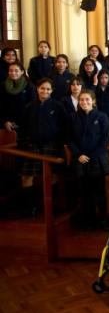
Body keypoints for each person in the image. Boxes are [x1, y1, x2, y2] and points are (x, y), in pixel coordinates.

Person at [17, 77, 67, 216]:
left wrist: (60, 145)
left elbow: (64, 127)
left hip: (52, 146)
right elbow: (23, 127)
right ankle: (30, 208)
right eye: (42, 88)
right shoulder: (29, 106)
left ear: (52, 91)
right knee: (26, 177)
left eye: (48, 89)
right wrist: (24, 144)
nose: (45, 91)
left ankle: (51, 207)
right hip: (32, 146)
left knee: (53, 176)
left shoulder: (58, 106)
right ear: (37, 89)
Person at [70, 89, 109, 229]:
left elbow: (105, 139)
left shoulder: (101, 116)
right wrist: (78, 154)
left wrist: (92, 156)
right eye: (82, 100)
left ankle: (103, 219)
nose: (84, 102)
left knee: (99, 191)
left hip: (97, 159)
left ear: (93, 101)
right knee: (84, 192)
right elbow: (70, 138)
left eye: (87, 99)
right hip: (80, 159)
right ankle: (88, 220)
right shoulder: (73, 117)